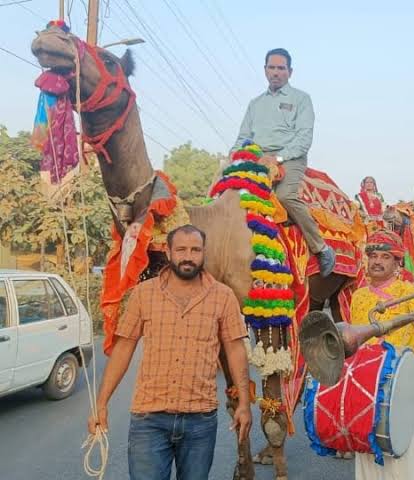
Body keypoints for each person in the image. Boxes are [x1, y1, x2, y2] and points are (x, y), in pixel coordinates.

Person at [88, 225, 252, 480]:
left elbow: (235, 349)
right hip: (149, 420)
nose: (188, 256)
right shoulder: (144, 293)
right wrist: (101, 403)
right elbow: (124, 347)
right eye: (181, 249)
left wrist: (244, 403)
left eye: (195, 250)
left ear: (203, 252)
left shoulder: (223, 296)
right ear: (168, 251)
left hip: (200, 420)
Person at [231, 47, 335, 277]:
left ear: (290, 72)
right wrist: (233, 158)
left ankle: (321, 248)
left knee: (284, 196)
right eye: (271, 67)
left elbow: (304, 138)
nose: (276, 72)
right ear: (265, 70)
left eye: (281, 68)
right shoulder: (255, 103)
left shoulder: (301, 99)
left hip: (289, 157)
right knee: (224, 193)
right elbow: (242, 137)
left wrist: (278, 159)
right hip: (257, 157)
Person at [349, 230, 414, 480]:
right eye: (373, 256)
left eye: (385, 256)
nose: (377, 261)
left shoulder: (408, 292)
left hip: (402, 388)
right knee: (368, 452)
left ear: (396, 263)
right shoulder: (358, 296)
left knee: (402, 455)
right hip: (366, 387)